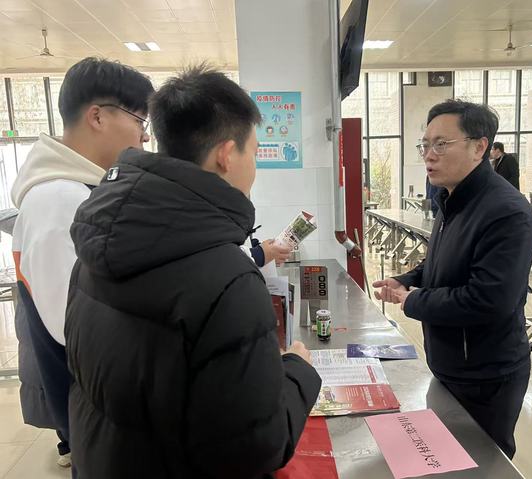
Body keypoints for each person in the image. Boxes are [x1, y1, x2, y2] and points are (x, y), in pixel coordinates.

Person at [64, 65, 322, 478]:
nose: (254, 167)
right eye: (254, 153)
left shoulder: (94, 249)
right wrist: (299, 371)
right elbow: (257, 447)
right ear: (226, 154)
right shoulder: (230, 280)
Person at [373, 99, 532, 459]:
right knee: (448, 460)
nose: (429, 155)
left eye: (441, 144)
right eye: (425, 145)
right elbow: (441, 264)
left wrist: (414, 300)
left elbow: (488, 300)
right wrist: (406, 279)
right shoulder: (453, 200)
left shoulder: (506, 212)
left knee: (483, 465)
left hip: (486, 375)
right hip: (453, 363)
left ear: (479, 147)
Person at [10, 57, 154, 469]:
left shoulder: (78, 191)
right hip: (99, 416)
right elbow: (76, 330)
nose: (144, 136)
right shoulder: (60, 200)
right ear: (97, 116)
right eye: (139, 120)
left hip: (101, 414)